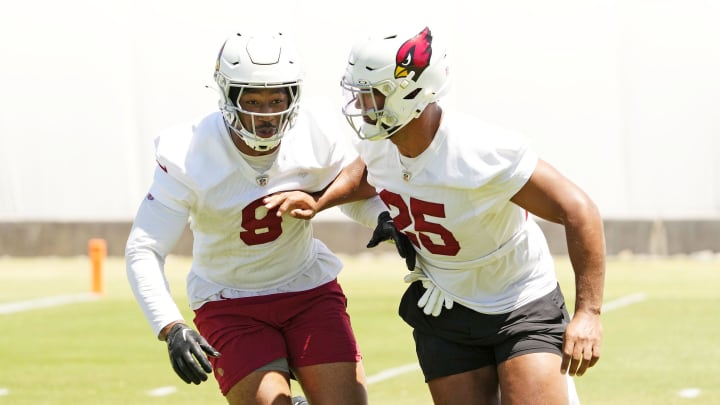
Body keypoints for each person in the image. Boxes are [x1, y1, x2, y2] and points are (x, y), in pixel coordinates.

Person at [264, 26, 605, 404]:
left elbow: (579, 210)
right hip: (445, 303)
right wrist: (319, 201)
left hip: (518, 302)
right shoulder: (381, 144)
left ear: (411, 94)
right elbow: (364, 173)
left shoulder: (478, 150)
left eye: (372, 94)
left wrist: (588, 312)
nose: (362, 106)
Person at [125, 31, 384, 405]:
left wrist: (383, 219)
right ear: (228, 97)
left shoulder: (315, 129)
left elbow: (347, 195)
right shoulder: (189, 151)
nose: (267, 114)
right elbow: (144, 248)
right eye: (253, 101)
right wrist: (171, 326)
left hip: (308, 290)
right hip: (229, 301)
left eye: (277, 99)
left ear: (293, 97)